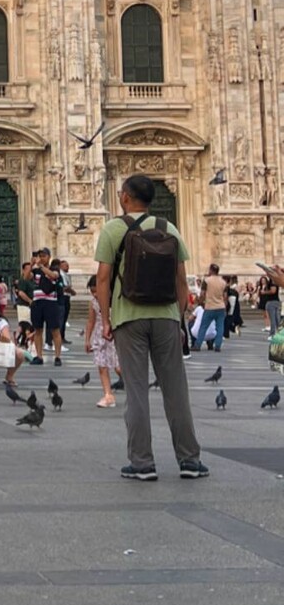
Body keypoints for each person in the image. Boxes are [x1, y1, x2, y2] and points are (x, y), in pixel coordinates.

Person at [93, 172, 206, 481]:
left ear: (125, 197)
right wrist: (179, 319)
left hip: (129, 317)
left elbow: (102, 278)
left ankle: (142, 463)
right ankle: (190, 460)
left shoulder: (113, 229)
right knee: (176, 391)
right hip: (166, 316)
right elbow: (181, 280)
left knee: (137, 391)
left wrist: (106, 319)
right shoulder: (169, 228)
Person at [84, 272, 120, 407]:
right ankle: (108, 394)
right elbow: (90, 322)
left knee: (119, 367)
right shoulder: (93, 303)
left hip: (114, 336)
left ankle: (134, 389)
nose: (94, 294)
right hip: (100, 337)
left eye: (96, 291)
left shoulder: (115, 301)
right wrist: (87, 339)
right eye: (92, 291)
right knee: (102, 366)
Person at [28, 248, 64, 365]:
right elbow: (26, 277)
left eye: (44, 256)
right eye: (40, 256)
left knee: (55, 330)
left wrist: (41, 267)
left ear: (49, 257)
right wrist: (31, 265)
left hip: (50, 302)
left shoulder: (54, 269)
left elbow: (53, 276)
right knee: (38, 329)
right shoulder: (36, 271)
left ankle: (57, 357)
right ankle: (39, 356)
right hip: (37, 302)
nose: (41, 258)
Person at [191, 263, 227, 352]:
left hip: (209, 306)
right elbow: (225, 296)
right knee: (220, 327)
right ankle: (218, 346)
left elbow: (202, 294)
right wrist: (225, 306)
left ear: (211, 270)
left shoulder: (207, 281)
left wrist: (201, 302)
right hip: (220, 307)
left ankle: (198, 345)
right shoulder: (223, 282)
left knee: (203, 326)